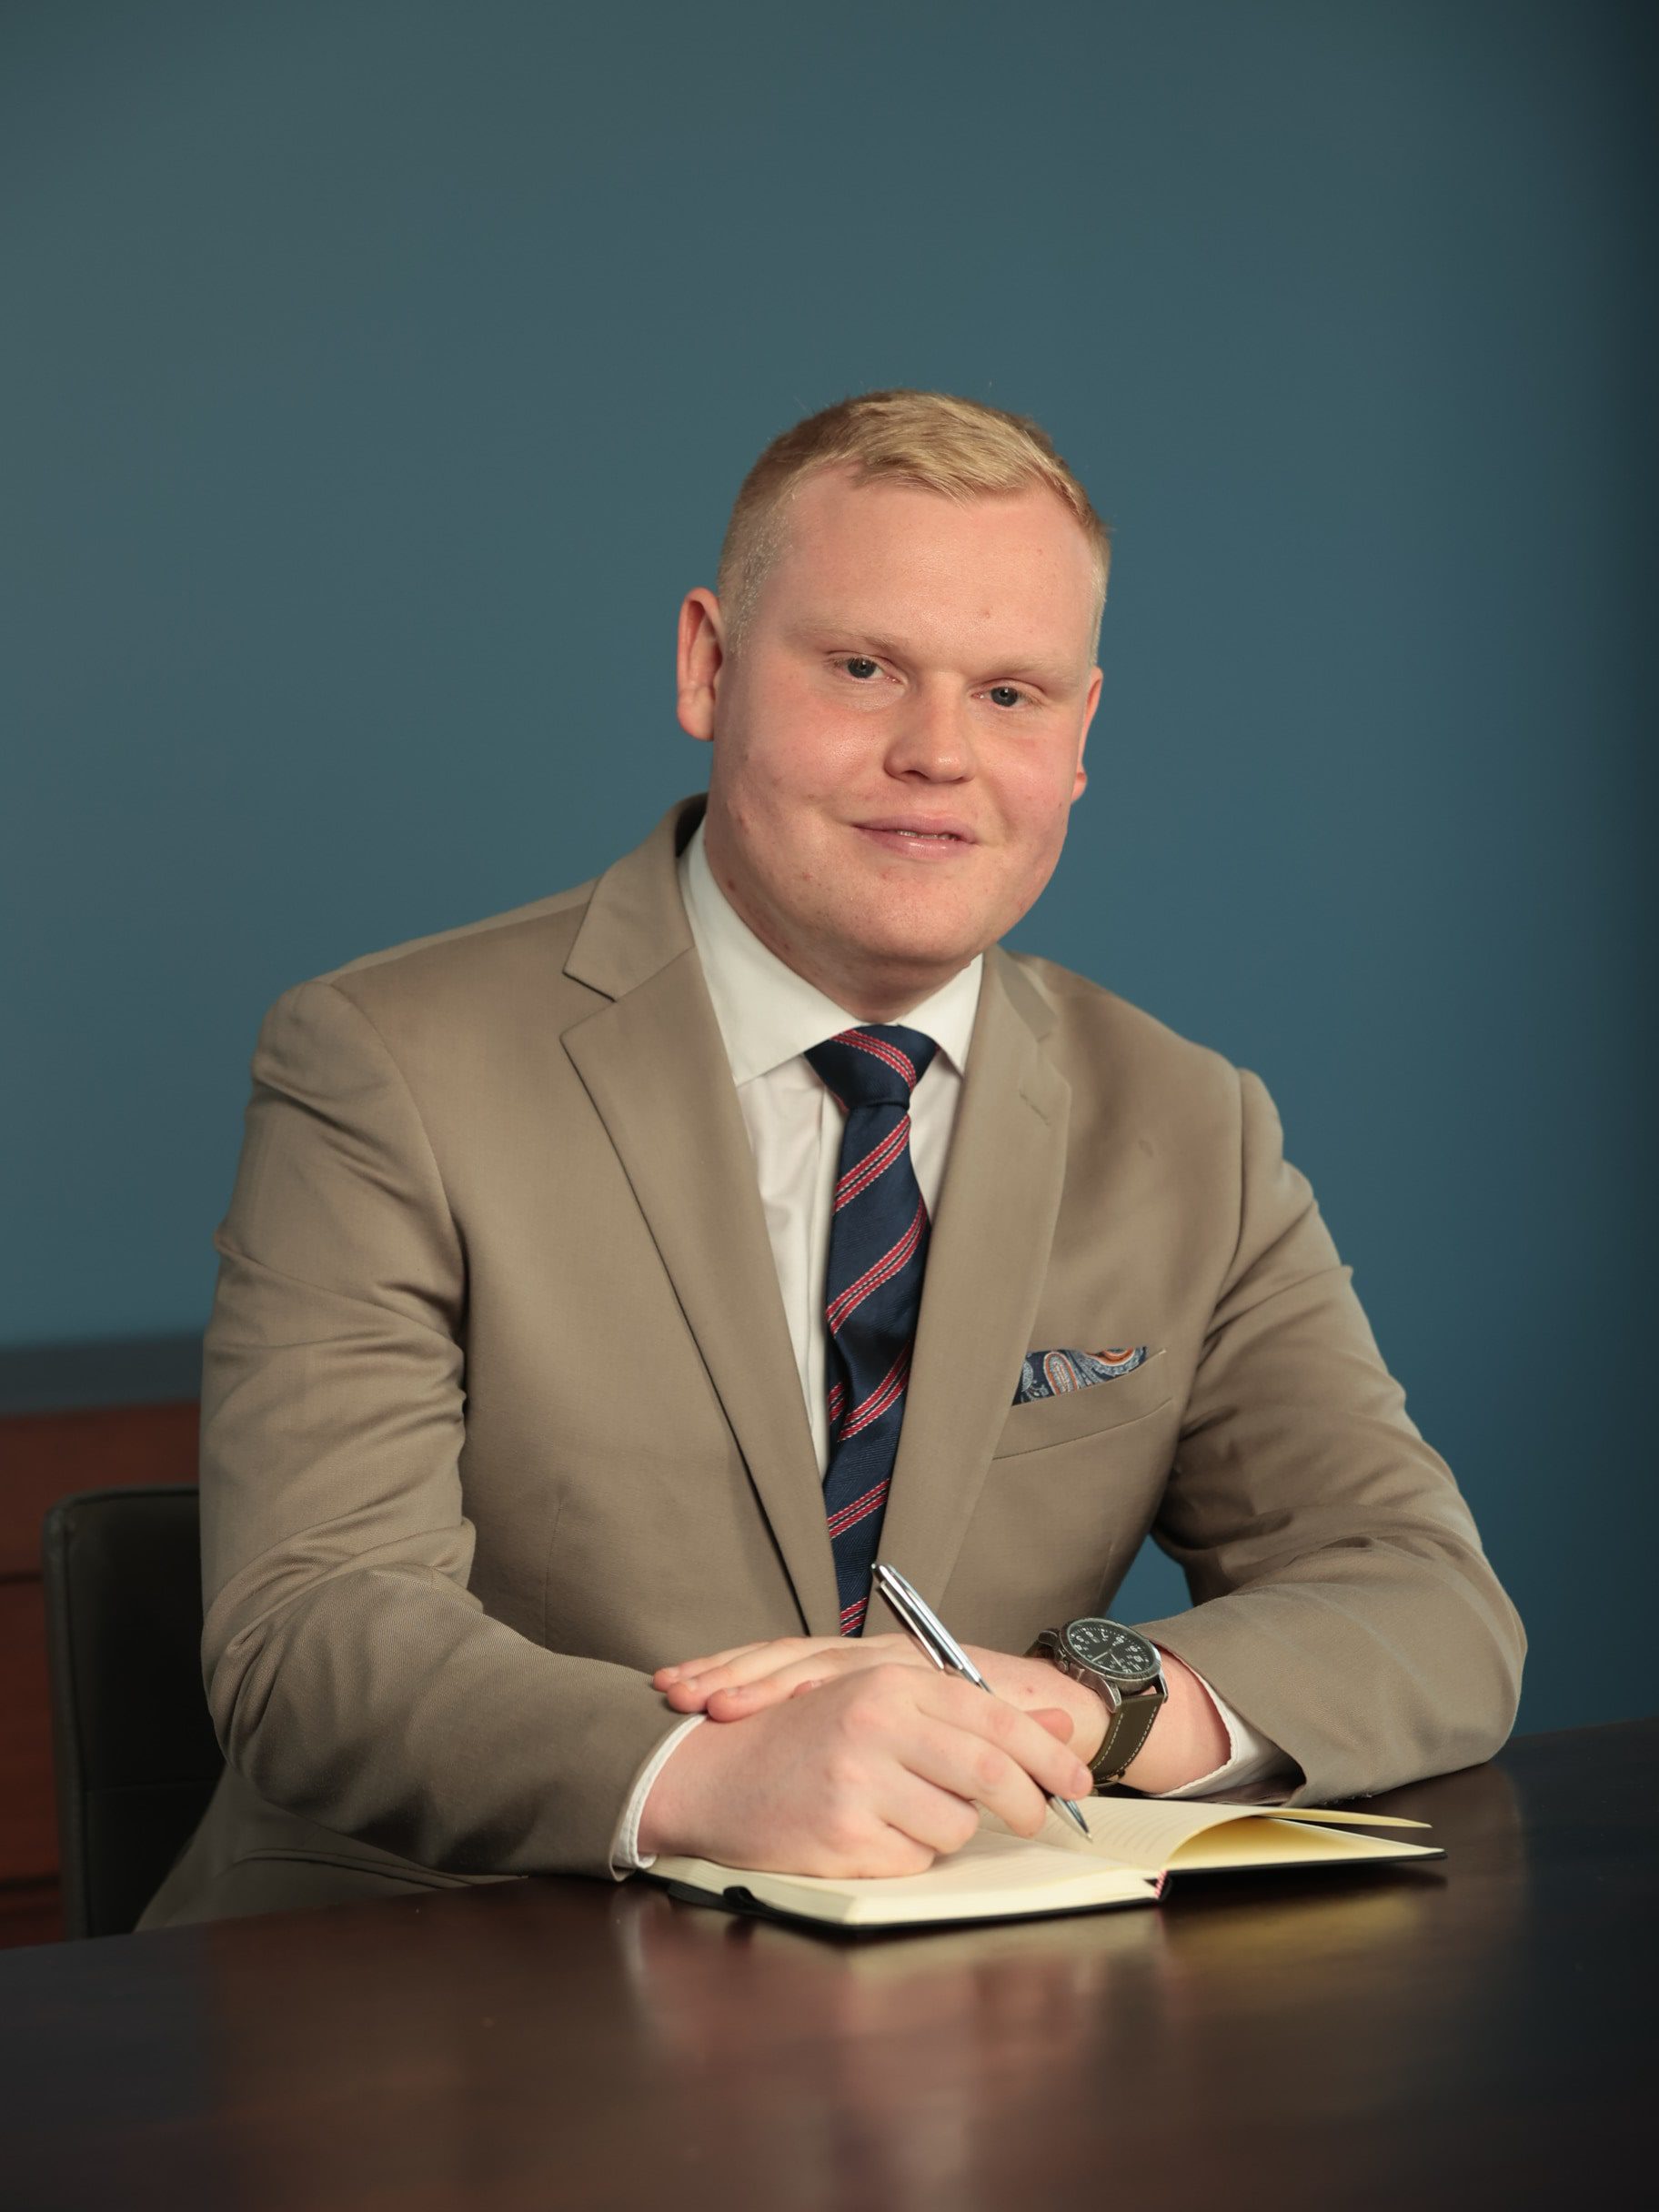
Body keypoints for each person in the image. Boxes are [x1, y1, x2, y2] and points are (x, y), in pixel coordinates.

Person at [140, 389, 1524, 1926]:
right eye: (864, 669)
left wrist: (1090, 1704)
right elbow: (309, 1632)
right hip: (432, 2000)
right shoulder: (386, 1063)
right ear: (709, 666)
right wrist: (702, 1773)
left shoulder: (1194, 1124)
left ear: (1080, 737)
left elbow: (1429, 1603)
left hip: (969, 2018)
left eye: (1012, 693)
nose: (938, 755)